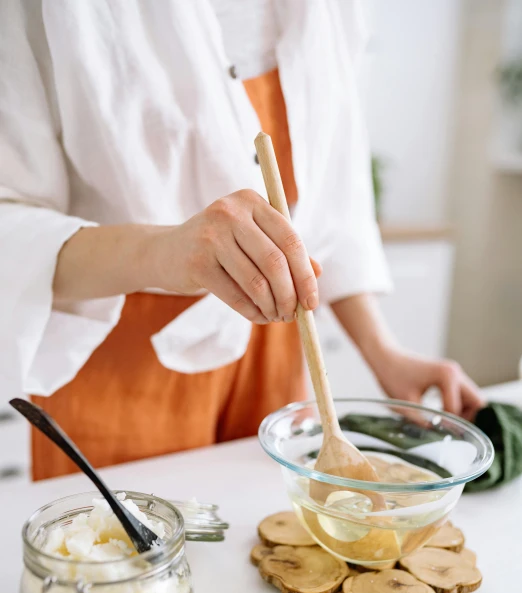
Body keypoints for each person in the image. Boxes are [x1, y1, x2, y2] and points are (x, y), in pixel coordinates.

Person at [0, 0, 483, 481]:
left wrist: (384, 353)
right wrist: (167, 252)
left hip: (277, 341)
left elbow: (333, 194)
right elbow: (11, 221)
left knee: (271, 546)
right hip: (123, 357)